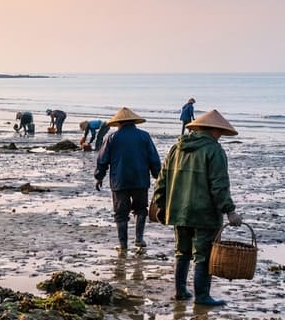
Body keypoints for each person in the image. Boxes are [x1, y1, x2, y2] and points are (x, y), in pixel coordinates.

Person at [150, 109, 244, 306]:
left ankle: (181, 291)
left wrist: (160, 205)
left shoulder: (177, 147)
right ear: (212, 130)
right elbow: (219, 185)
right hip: (204, 213)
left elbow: (162, 179)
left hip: (178, 210)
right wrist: (230, 211)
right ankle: (202, 296)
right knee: (204, 253)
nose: (220, 136)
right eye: (219, 132)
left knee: (181, 251)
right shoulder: (214, 150)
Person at [94, 107, 161, 255]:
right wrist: (157, 175)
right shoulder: (144, 136)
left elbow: (102, 159)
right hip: (140, 179)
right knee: (141, 209)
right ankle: (139, 239)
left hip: (119, 181)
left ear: (119, 123)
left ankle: (123, 245)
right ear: (133, 122)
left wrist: (99, 177)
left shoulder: (112, 138)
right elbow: (154, 158)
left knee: (120, 213)